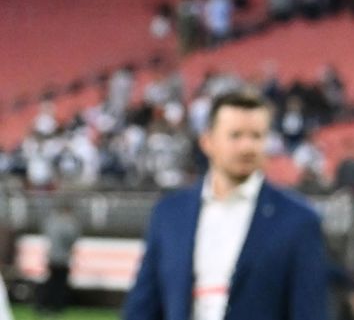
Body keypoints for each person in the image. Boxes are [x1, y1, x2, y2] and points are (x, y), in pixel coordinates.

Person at [123, 91, 329, 320]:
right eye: (235, 135)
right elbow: (143, 307)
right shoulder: (169, 214)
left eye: (257, 136)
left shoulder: (297, 220)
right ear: (207, 141)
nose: (247, 147)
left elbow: (310, 312)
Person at [38, 200, 80, 316]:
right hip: (62, 258)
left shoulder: (52, 222)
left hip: (52, 256)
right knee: (59, 284)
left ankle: (43, 305)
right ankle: (56, 306)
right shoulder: (68, 224)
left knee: (51, 282)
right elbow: (71, 238)